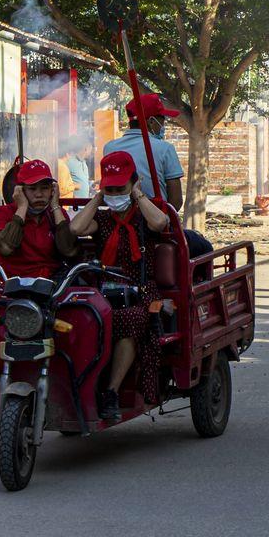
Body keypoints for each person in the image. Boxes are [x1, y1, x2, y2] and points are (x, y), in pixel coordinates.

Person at [68, 150, 169, 420]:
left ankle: (111, 391)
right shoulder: (101, 219)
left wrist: (137, 195)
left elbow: (161, 222)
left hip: (143, 292)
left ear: (133, 183)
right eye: (109, 188)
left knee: (128, 320)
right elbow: (75, 229)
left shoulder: (142, 216)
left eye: (119, 188)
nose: (115, 193)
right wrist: (98, 198)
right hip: (105, 291)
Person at [0, 159, 78, 278]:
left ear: (52, 190)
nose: (39, 194)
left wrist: (56, 206)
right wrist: (22, 207)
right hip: (17, 287)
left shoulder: (57, 214)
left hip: (55, 284)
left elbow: (69, 251)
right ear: (20, 190)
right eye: (32, 189)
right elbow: (5, 248)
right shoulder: (3, 213)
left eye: (45, 188)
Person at [104, 93, 184, 208]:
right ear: (151, 121)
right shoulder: (165, 149)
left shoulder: (109, 148)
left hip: (120, 218)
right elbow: (176, 201)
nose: (163, 126)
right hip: (155, 219)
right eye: (162, 120)